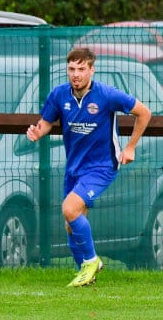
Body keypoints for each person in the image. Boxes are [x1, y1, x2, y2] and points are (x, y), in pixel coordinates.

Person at [26, 47, 152, 287]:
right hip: (74, 168)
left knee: (69, 209)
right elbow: (46, 122)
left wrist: (130, 147)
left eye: (81, 69)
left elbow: (144, 113)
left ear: (92, 70)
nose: (76, 74)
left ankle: (92, 260)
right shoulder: (59, 95)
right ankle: (85, 276)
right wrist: (37, 132)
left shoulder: (107, 94)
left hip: (102, 166)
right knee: (71, 224)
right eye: (72, 69)